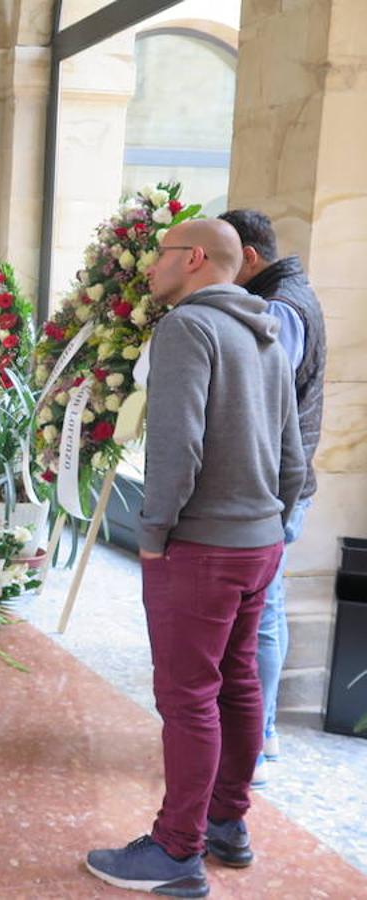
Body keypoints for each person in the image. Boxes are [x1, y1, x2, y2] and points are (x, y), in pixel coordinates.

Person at [85, 219, 305, 897]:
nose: (151, 267)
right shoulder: (263, 330)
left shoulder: (186, 329)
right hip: (260, 540)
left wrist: (152, 532)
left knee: (187, 700)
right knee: (237, 684)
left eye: (161, 255)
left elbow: (176, 448)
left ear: (196, 259)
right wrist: (277, 517)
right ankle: (226, 826)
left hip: (203, 547)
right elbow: (293, 454)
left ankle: (176, 851)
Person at [219, 209, 326, 788]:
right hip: (275, 485)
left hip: (273, 489)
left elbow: (260, 394)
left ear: (250, 258)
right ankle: (259, 736)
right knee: (266, 612)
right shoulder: (283, 294)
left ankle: (253, 745)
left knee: (261, 618)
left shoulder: (281, 307)